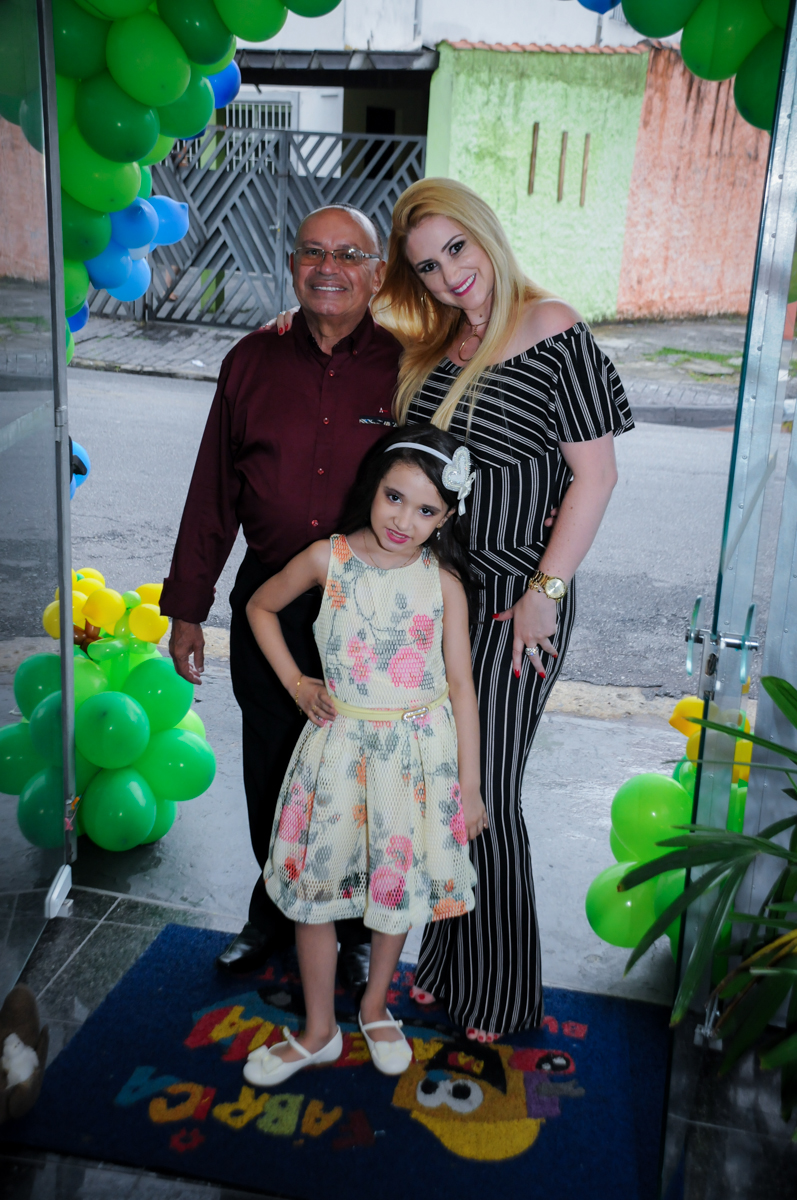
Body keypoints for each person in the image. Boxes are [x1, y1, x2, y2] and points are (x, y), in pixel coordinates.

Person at [369, 178, 634, 1040]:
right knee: (445, 789)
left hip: (518, 605)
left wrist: (544, 595)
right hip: (443, 600)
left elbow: (595, 477)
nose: (449, 275)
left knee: (487, 795)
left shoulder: (551, 327)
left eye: (456, 249)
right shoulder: (438, 347)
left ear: (484, 236)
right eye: (427, 265)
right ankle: (450, 965)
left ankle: (500, 992)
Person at [159, 204, 403, 984]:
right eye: (311, 252)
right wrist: (187, 606)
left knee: (360, 775)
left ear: (377, 272)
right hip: (267, 605)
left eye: (347, 254)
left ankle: (359, 929)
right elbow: (212, 489)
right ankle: (273, 909)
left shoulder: (406, 365)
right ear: (292, 264)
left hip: (368, 618)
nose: (327, 267)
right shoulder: (250, 360)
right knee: (270, 767)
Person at [241, 424, 484, 1086]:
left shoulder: (445, 586)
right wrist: (296, 681)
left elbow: (461, 686)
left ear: (447, 516)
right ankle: (319, 1030)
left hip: (414, 762)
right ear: (371, 489)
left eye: (427, 509)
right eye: (394, 498)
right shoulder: (330, 558)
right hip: (339, 752)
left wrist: (470, 784)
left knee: (393, 884)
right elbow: (260, 606)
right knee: (314, 894)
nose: (405, 520)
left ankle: (376, 1006)